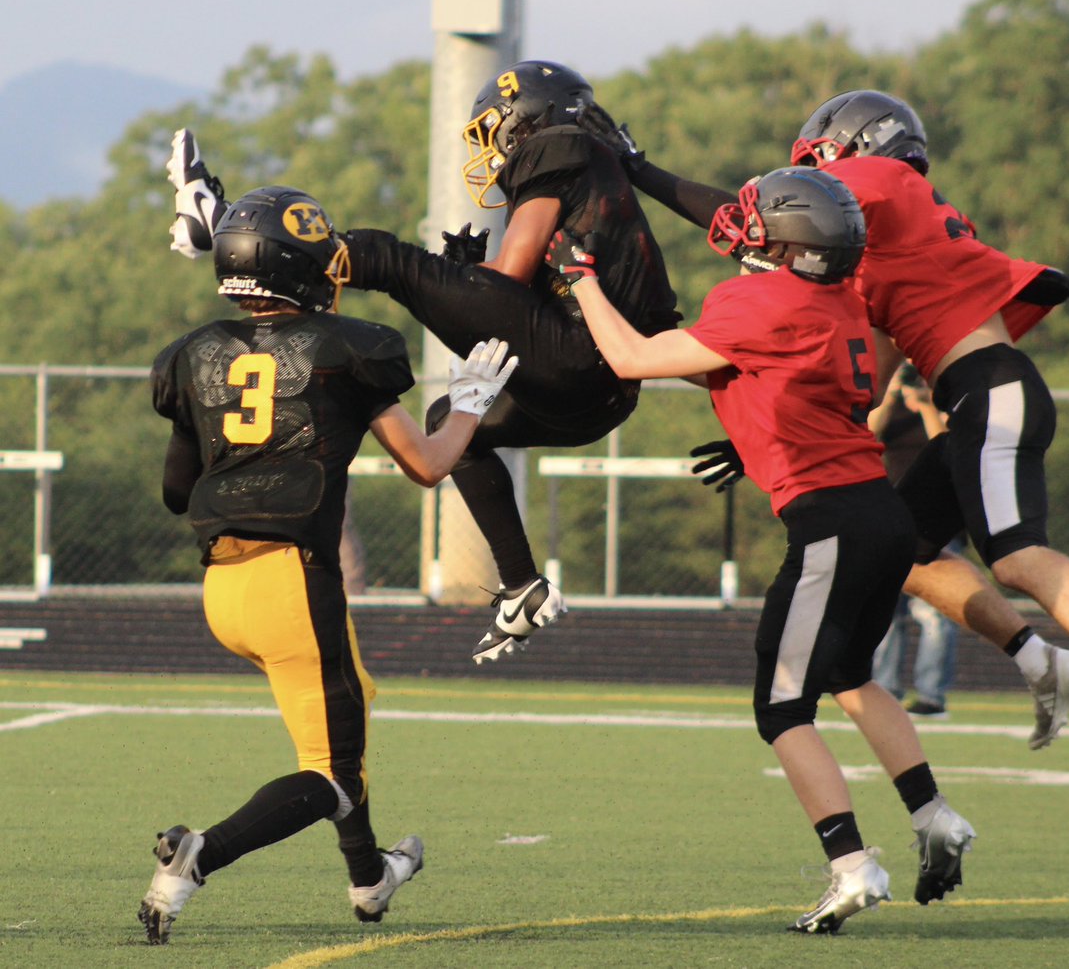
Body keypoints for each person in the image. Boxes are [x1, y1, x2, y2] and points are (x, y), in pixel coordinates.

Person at [594, 90, 1069, 759]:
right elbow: (861, 380)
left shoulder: (885, 177)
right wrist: (754, 426)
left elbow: (756, 210)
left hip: (991, 388)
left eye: (821, 168)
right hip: (974, 396)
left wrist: (642, 172)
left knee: (1015, 553)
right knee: (906, 552)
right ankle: (1040, 659)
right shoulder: (890, 253)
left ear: (851, 146)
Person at [547, 167, 975, 934]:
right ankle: (933, 813)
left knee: (780, 706)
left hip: (831, 522)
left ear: (789, 245)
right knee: (852, 676)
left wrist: (579, 279)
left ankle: (850, 864)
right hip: (878, 509)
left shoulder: (757, 298)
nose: (743, 225)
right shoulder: (841, 299)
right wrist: (751, 434)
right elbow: (790, 381)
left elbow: (631, 359)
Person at [165, 64, 681, 664]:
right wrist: (460, 276)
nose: (494, 144)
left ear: (533, 119)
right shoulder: (597, 175)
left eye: (499, 127)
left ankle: (226, 227)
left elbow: (510, 276)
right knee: (451, 422)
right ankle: (521, 585)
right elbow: (547, 285)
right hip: (601, 394)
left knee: (390, 260)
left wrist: (454, 277)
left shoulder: (559, 150)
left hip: (579, 360)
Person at [142, 184, 518, 944]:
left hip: (223, 588)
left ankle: (368, 877)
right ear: (307, 270)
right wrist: (471, 404)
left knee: (342, 727)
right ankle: (198, 856)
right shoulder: (350, 349)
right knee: (334, 772)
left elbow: (177, 492)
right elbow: (425, 463)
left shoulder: (193, 354)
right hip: (292, 581)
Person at [869, 365, 960, 718]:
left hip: (936, 519)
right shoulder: (889, 404)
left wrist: (925, 405)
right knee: (887, 613)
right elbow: (870, 436)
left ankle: (931, 695)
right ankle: (886, 689)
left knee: (934, 615)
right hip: (889, 516)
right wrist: (891, 393)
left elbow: (945, 442)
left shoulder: (944, 402)